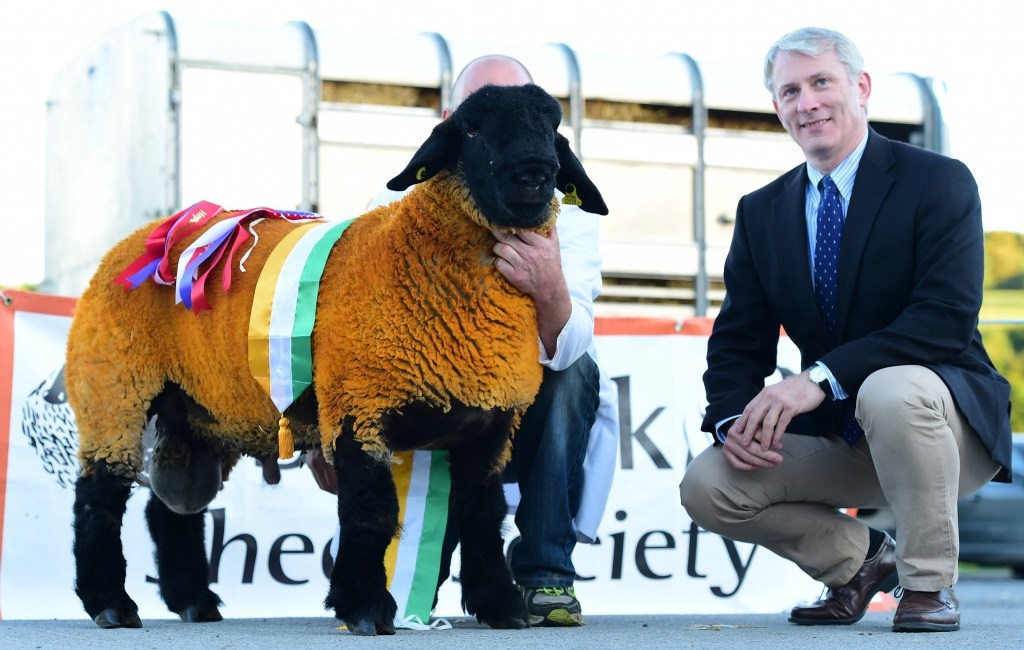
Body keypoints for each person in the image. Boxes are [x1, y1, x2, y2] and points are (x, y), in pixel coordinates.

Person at [679, 27, 1012, 634]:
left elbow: (944, 317)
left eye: (820, 82)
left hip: (943, 426)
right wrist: (734, 422)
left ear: (860, 88)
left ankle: (927, 586)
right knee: (709, 485)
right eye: (789, 91)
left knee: (891, 388)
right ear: (778, 107)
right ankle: (859, 563)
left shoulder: (938, 181)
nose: (806, 103)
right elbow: (738, 339)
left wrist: (818, 379)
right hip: (848, 434)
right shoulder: (762, 211)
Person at [307, 54, 617, 628]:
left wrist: (548, 284)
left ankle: (545, 575)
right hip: (427, 396)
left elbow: (570, 347)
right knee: (415, 575)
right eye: (486, 111)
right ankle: (405, 570)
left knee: (575, 374)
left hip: (518, 406)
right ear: (453, 124)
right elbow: (347, 322)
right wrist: (322, 431)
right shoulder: (396, 206)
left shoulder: (565, 209)